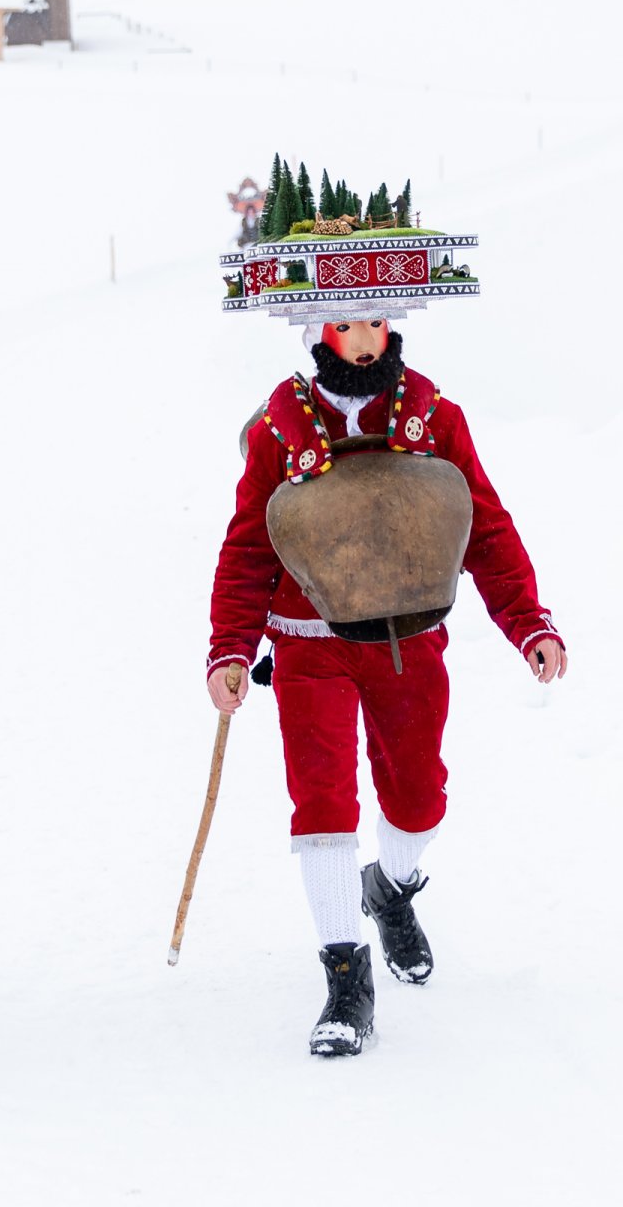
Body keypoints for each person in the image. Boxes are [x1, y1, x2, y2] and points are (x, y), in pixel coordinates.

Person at [206, 315, 566, 1056]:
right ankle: (345, 979)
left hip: (409, 636)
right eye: (346, 327)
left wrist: (529, 622)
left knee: (418, 797)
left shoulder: (434, 418)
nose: (365, 342)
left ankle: (390, 886)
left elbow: (485, 528)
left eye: (375, 324)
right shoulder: (280, 430)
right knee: (324, 801)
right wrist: (230, 648)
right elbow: (248, 548)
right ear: (319, 335)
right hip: (309, 644)